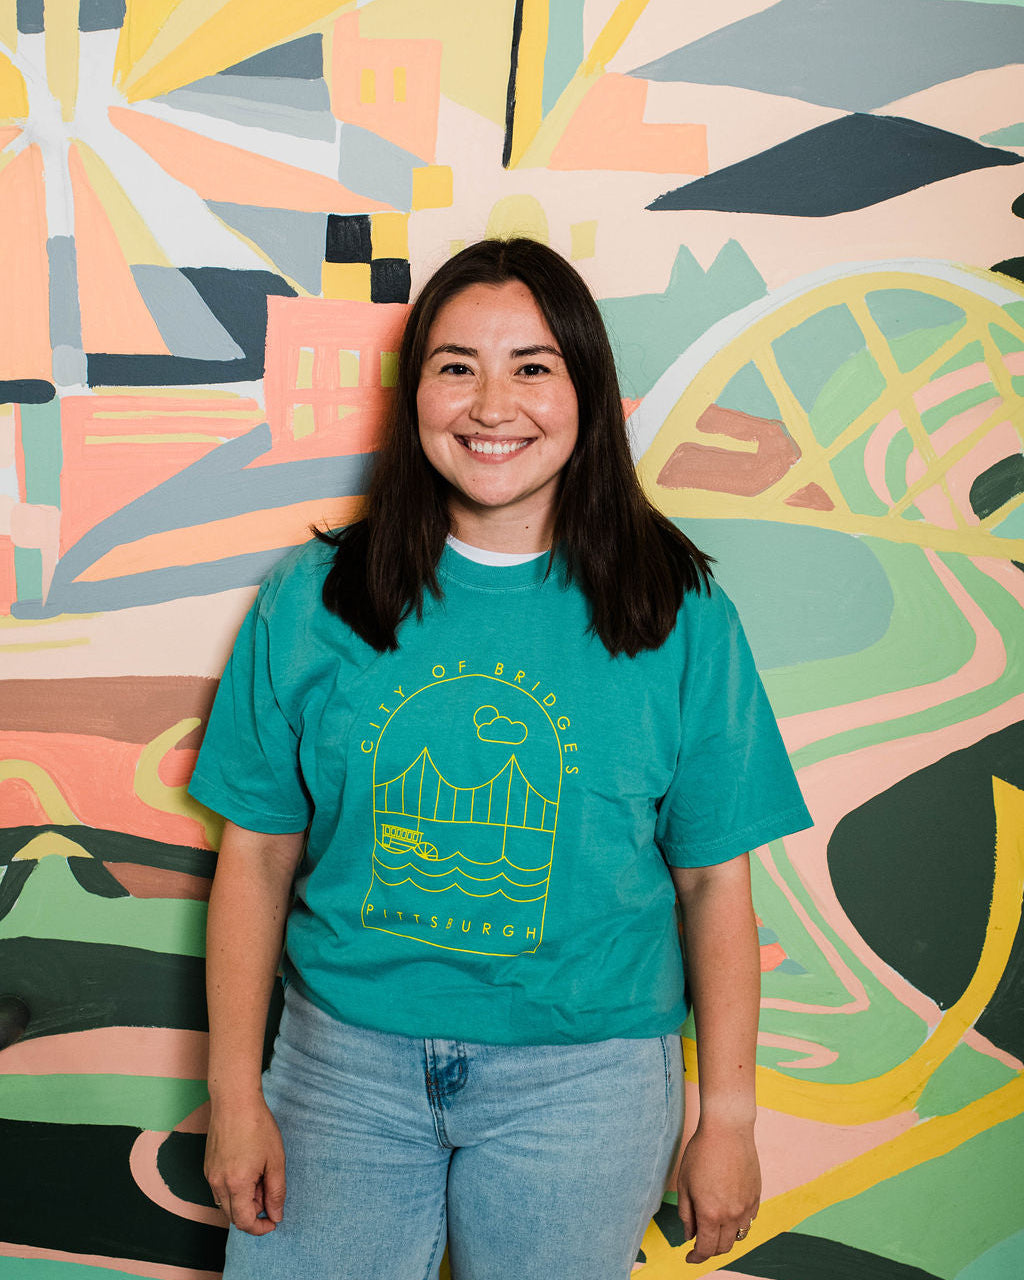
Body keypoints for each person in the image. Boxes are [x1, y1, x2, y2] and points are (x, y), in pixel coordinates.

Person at [189, 237, 812, 1279]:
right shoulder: (313, 594)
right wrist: (235, 1090)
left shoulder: (679, 611)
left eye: (532, 366)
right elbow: (253, 858)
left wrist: (729, 1118)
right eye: (455, 366)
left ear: (586, 391)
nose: (491, 405)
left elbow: (712, 882)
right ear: (414, 391)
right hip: (340, 1067)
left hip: (588, 1083)